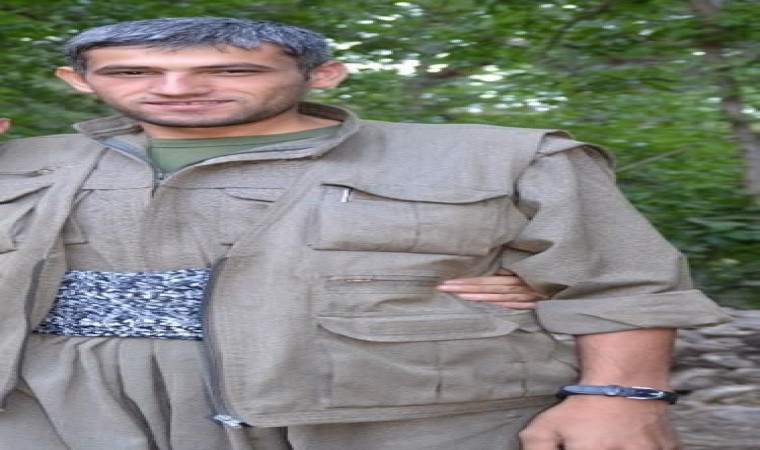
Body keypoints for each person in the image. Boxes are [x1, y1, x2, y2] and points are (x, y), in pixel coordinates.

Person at [0, 17, 727, 450]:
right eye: (133, 71)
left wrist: (620, 399)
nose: (176, 88)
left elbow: (621, 283)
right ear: (78, 81)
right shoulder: (23, 160)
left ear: (324, 76)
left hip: (399, 417)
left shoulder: (501, 158)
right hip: (60, 413)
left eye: (230, 69)